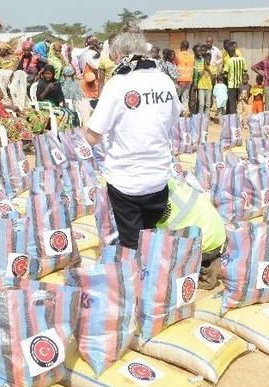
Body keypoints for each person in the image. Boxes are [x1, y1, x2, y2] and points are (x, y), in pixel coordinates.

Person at [83, 27, 180, 250]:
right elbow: (172, 120)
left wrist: (85, 114)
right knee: (150, 237)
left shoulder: (118, 84)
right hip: (158, 177)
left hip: (126, 181)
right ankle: (154, 277)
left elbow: (92, 137)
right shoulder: (164, 80)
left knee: (131, 243)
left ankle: (136, 280)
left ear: (119, 55)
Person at [37, 65, 78, 130]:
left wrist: (61, 101)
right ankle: (60, 131)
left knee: (71, 114)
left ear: (53, 74)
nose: (47, 76)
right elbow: (39, 98)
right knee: (62, 114)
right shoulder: (41, 82)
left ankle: (67, 132)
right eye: (46, 74)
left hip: (55, 105)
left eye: (49, 74)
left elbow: (60, 95)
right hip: (44, 105)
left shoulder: (56, 82)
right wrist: (47, 89)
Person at [222, 42, 247, 116]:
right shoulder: (242, 59)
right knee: (239, 102)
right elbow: (245, 71)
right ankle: (237, 119)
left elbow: (225, 73)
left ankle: (233, 121)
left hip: (231, 85)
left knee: (232, 103)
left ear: (229, 53)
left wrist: (224, 75)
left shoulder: (229, 61)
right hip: (240, 85)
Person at [176, 41, 195, 116]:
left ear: (181, 46)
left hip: (180, 79)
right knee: (185, 97)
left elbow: (175, 65)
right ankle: (185, 112)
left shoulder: (178, 55)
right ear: (188, 47)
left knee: (177, 97)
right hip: (189, 79)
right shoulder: (192, 56)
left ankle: (177, 112)